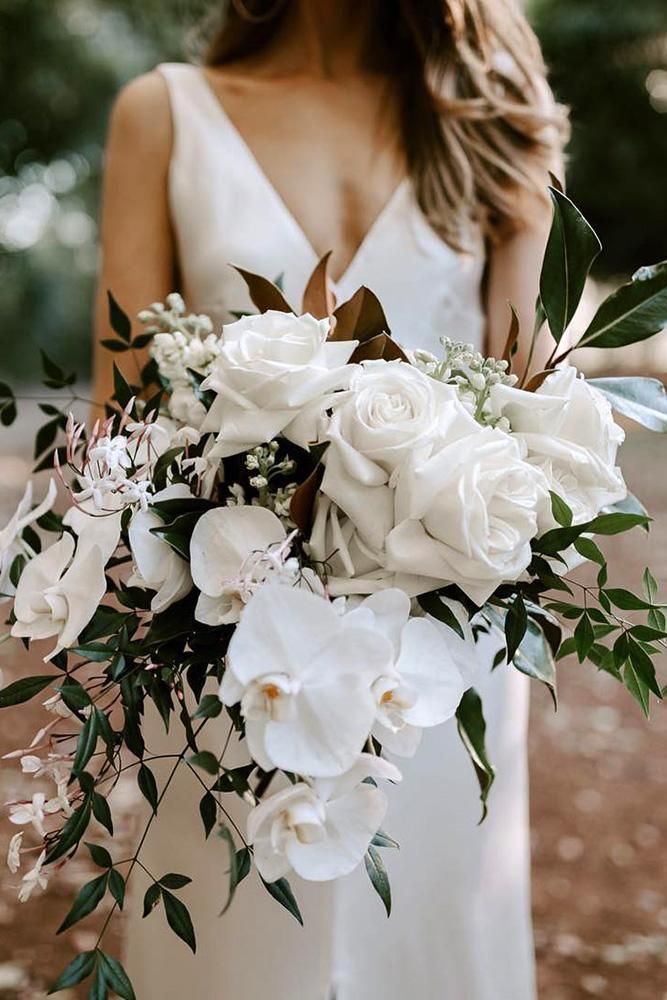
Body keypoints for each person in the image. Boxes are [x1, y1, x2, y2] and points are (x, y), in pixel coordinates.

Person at [95, 2, 568, 997]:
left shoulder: (490, 116)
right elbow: (122, 424)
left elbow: (527, 416)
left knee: (429, 942)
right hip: (229, 640)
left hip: (439, 653)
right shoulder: (164, 115)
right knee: (236, 951)